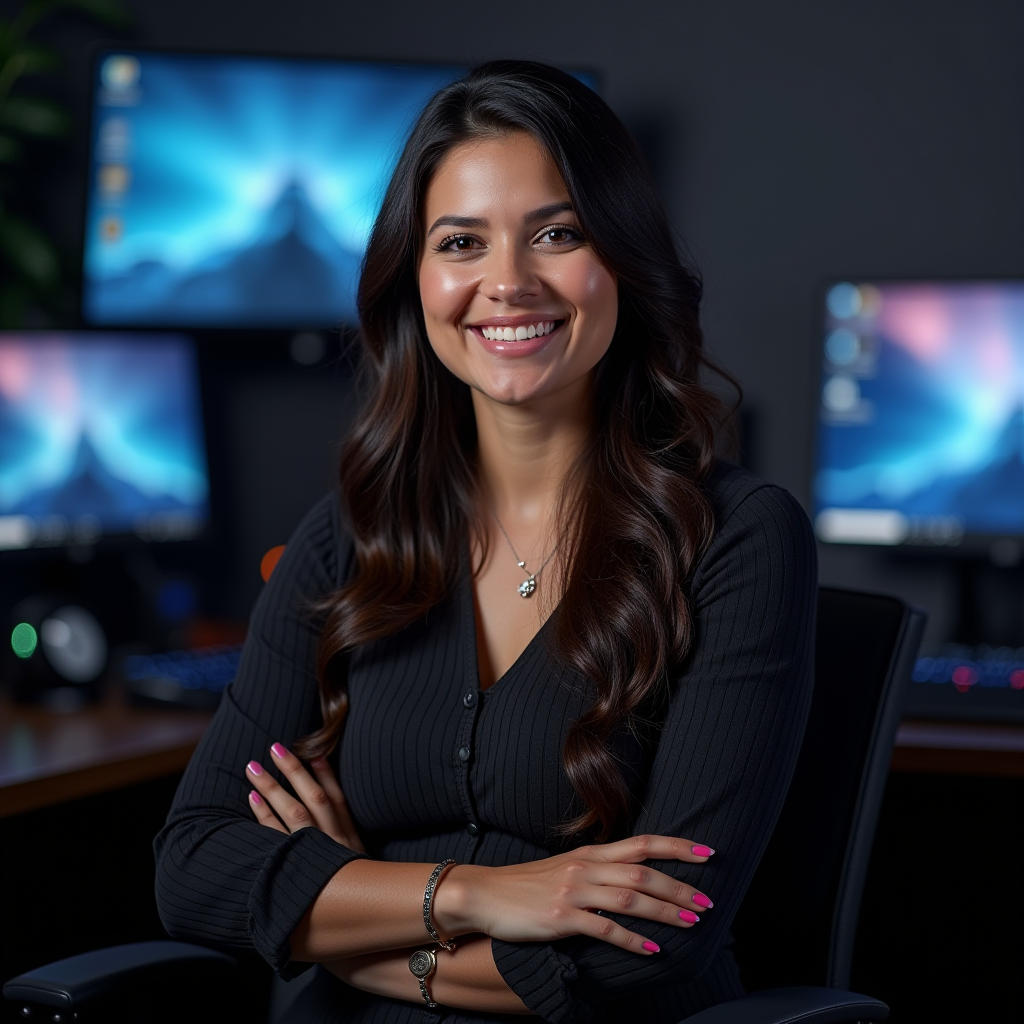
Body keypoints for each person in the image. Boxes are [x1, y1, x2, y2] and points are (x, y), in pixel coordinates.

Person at [154, 60, 817, 1024]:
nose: (507, 283)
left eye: (557, 233)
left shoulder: (738, 541)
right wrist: (469, 893)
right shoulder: (348, 537)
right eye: (461, 242)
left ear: (622, 260)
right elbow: (193, 869)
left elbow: (650, 952)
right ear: (415, 280)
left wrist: (344, 910)